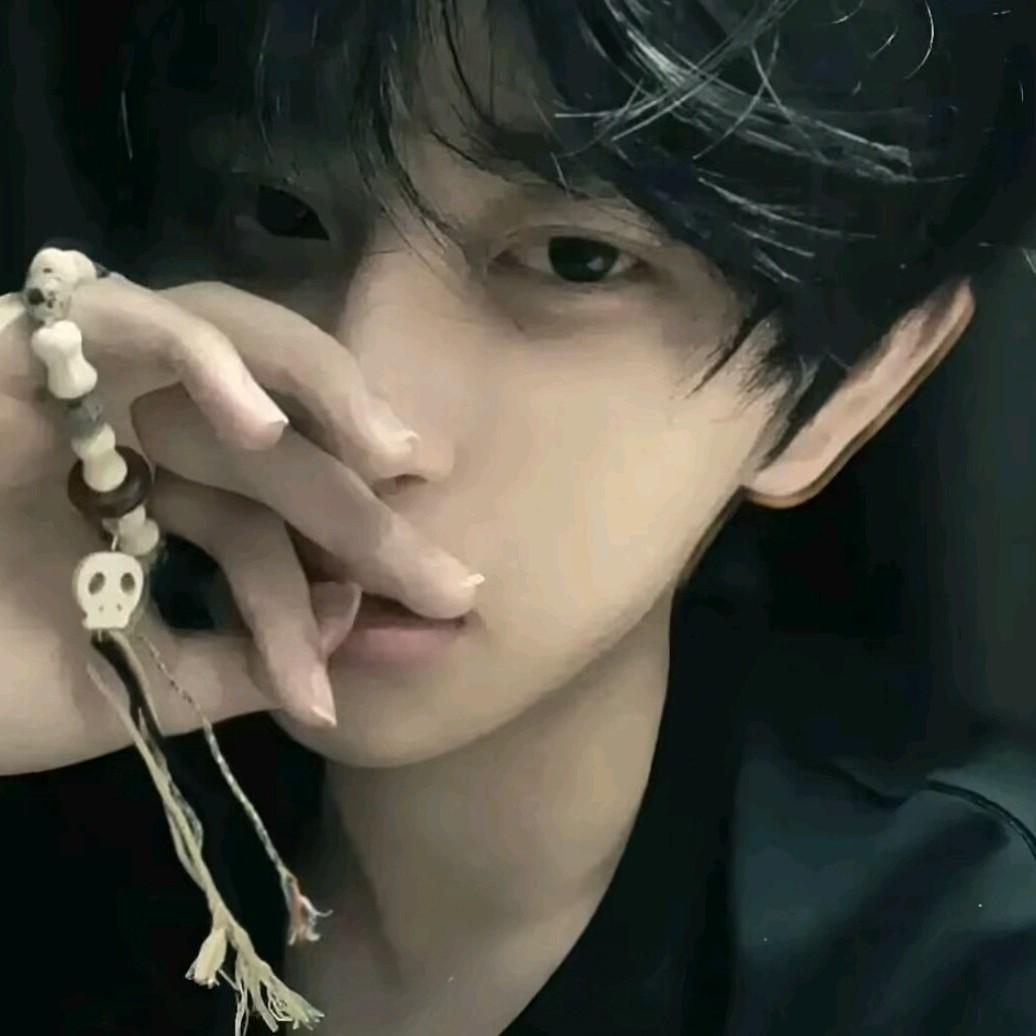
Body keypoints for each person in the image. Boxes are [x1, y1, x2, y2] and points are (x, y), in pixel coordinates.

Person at [3, 0, 1036, 1033]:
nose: (368, 423)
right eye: (280, 213)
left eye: (578, 259)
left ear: (846, 385)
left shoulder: (956, 963)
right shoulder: (58, 767)